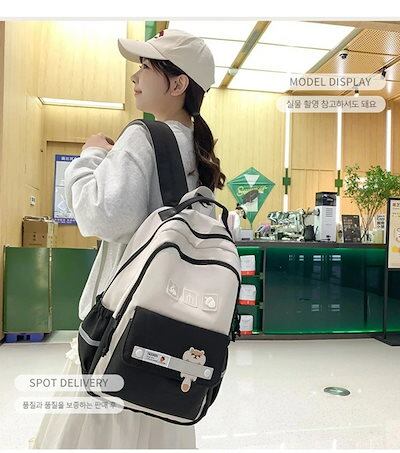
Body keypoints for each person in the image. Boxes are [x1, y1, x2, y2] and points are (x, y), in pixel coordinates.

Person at [31, 28, 225, 449]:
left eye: (146, 66)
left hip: (116, 327)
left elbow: (100, 216)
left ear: (178, 84)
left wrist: (91, 156)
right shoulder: (200, 152)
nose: (135, 76)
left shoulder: (143, 136)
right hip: (167, 331)